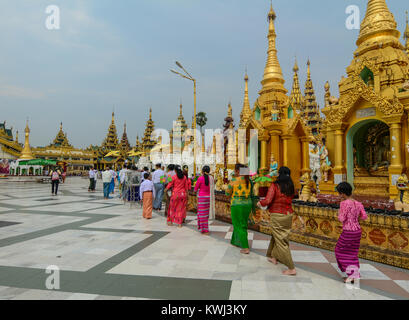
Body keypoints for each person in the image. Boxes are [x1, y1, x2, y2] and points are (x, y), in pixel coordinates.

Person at [258, 166, 297, 276]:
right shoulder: (291, 186)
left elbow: (268, 200)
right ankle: (273, 256)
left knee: (280, 240)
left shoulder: (275, 185)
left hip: (277, 214)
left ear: (279, 174)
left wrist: (260, 203)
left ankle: (291, 268)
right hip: (288, 214)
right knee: (278, 235)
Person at [335, 182, 368, 283]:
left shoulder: (344, 203)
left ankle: (352, 275)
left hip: (348, 231)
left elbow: (341, 219)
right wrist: (355, 218)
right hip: (357, 231)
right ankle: (354, 274)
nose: (339, 195)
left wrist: (337, 214)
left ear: (343, 193)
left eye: (339, 193)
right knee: (352, 253)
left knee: (339, 251)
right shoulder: (358, 203)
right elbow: (364, 217)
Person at [226, 164, 253, 254]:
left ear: (238, 171)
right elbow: (252, 194)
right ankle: (235, 241)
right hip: (248, 204)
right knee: (243, 224)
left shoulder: (234, 180)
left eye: (235, 170)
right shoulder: (249, 181)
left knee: (238, 224)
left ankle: (245, 247)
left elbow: (227, 193)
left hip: (237, 205)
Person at [194, 166, 214, 235]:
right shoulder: (211, 178)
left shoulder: (200, 178)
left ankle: (205, 229)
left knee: (201, 214)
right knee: (205, 214)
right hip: (208, 198)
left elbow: (195, 188)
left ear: (202, 171)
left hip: (202, 198)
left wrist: (195, 191)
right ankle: (204, 228)